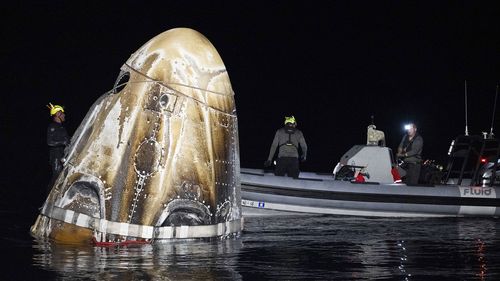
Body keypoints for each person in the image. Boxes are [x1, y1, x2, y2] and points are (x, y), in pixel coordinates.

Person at [46, 103, 70, 187]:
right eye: (62, 113)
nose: (64, 115)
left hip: (63, 155)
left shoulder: (62, 127)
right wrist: (63, 142)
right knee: (57, 177)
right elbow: (50, 142)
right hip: (56, 156)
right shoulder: (52, 126)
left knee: (64, 178)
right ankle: (50, 197)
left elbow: (68, 141)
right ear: (57, 114)